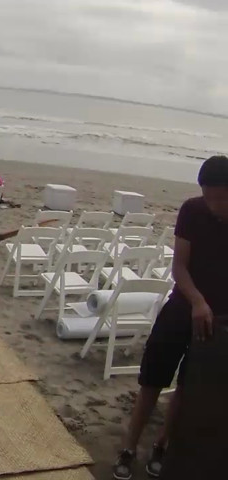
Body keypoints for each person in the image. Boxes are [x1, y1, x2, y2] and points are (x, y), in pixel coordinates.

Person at [112, 155, 228, 480]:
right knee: (152, 378)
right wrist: (197, 301)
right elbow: (179, 267)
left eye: (220, 197)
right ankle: (129, 447)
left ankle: (162, 444)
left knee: (187, 386)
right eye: (209, 196)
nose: (214, 204)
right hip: (182, 307)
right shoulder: (192, 210)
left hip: (218, 321)